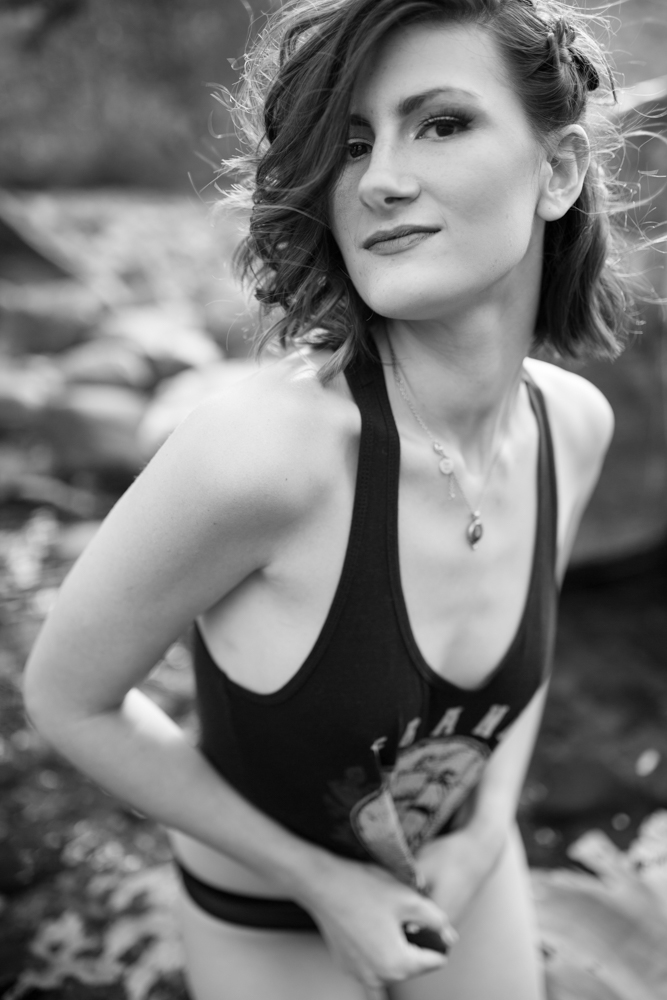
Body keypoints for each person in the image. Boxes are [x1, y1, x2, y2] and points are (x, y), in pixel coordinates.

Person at [24, 0, 635, 997]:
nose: (381, 179)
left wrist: (485, 834)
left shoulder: (570, 425)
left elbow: (516, 681)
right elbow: (65, 697)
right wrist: (321, 883)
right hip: (271, 915)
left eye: (441, 123)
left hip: (463, 881)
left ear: (557, 171)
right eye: (352, 144)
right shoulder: (260, 453)